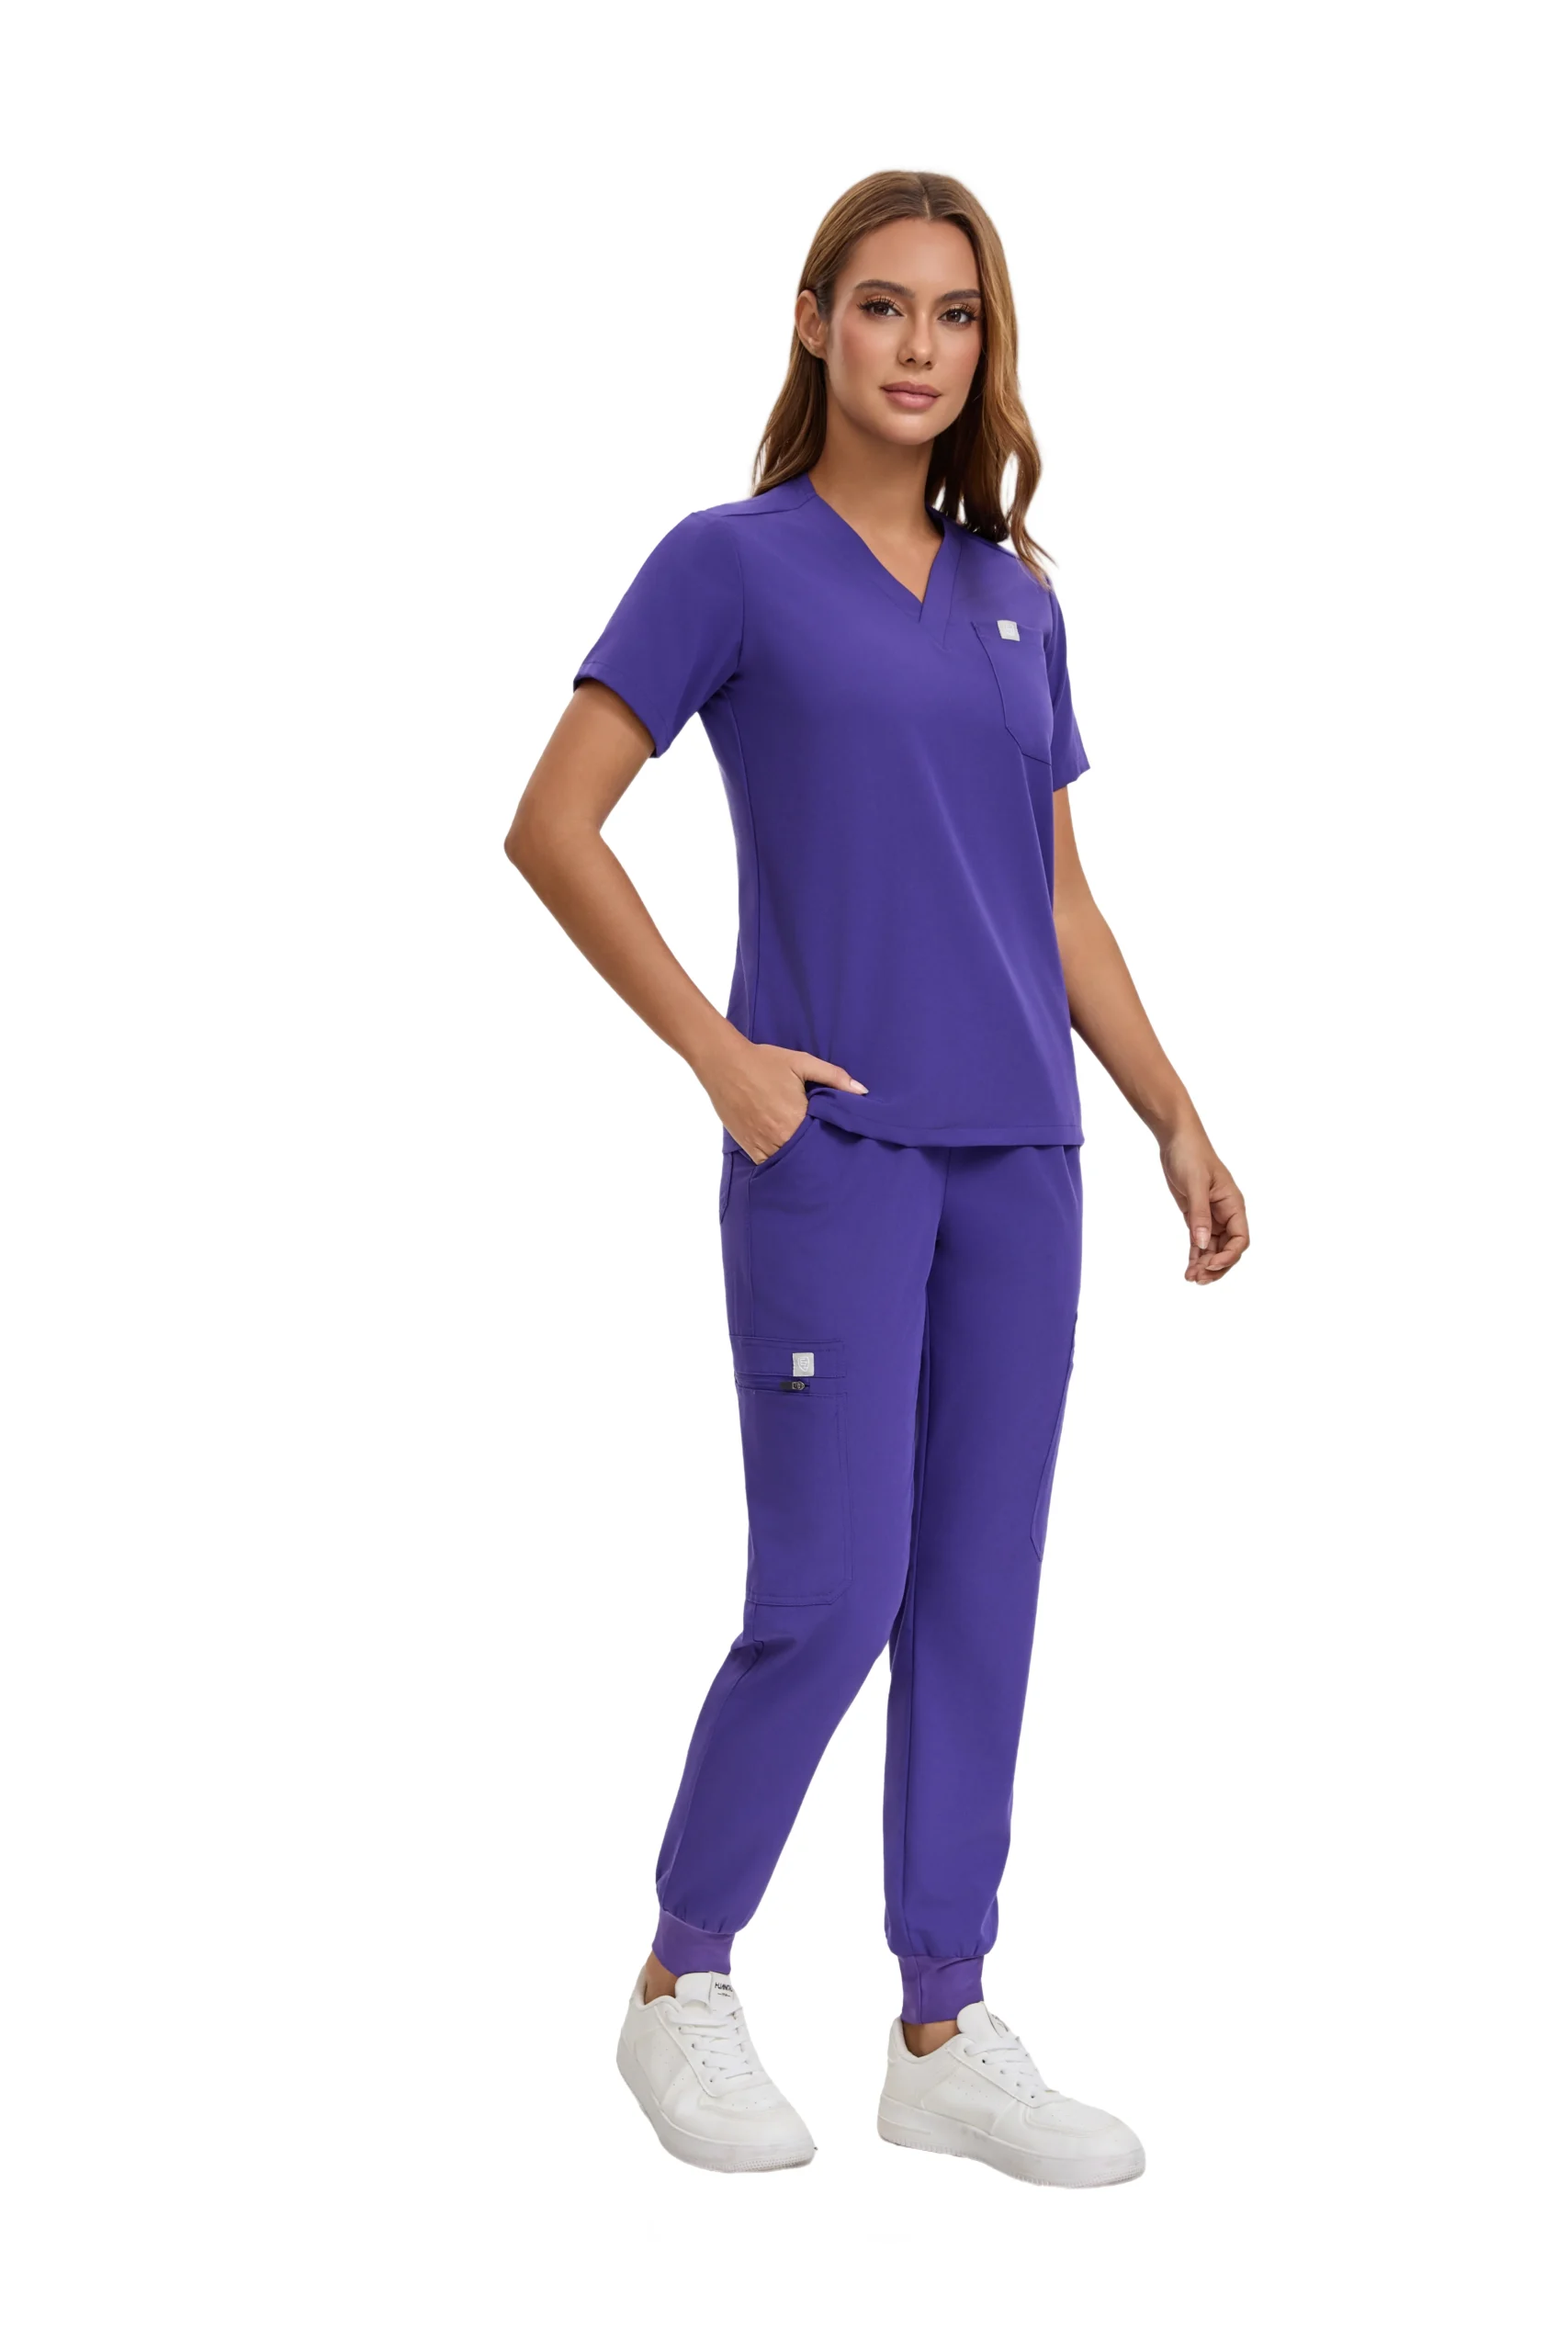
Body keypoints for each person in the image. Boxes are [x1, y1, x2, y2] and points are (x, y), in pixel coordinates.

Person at [504, 168, 1248, 2188]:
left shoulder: (1017, 595)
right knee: (829, 1593)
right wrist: (721, 1056)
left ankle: (941, 2021)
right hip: (832, 1156)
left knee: (978, 1594)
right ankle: (678, 1977)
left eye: (957, 314)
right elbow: (554, 820)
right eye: (886, 306)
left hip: (1024, 1160)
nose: (921, 346)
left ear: (985, 347)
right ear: (815, 321)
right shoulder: (727, 564)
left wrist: (1172, 1111)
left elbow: (1056, 896)